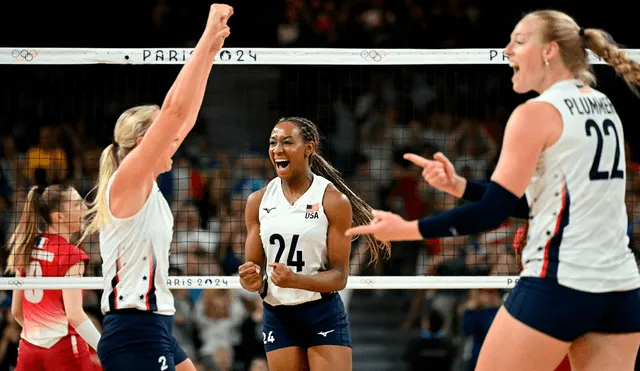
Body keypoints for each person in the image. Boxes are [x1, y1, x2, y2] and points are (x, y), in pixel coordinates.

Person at [346, 9, 640, 371]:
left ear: (549, 51)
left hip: (562, 285)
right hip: (621, 290)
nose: (507, 50)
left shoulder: (535, 113)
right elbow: (540, 204)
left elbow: (493, 212)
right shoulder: (602, 104)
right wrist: (462, 186)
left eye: (518, 41)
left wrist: (405, 230)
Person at [79, 4, 233, 371]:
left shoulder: (144, 184)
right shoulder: (127, 180)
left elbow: (186, 117)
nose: (176, 142)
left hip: (155, 323)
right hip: (135, 328)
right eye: (166, 137)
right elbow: (175, 113)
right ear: (146, 141)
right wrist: (206, 32)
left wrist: (210, 54)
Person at [238, 117, 389, 371]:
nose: (277, 150)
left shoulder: (333, 201)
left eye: (287, 142)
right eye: (273, 143)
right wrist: (250, 279)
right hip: (278, 314)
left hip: (321, 312)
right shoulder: (257, 201)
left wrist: (295, 280)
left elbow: (340, 276)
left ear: (309, 148)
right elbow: (253, 274)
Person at [7, 184, 101, 370]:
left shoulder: (27, 247)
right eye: (76, 205)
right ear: (59, 217)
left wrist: (41, 336)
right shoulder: (71, 254)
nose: (84, 208)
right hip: (64, 348)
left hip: (29, 348)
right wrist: (105, 349)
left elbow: (17, 311)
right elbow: (75, 315)